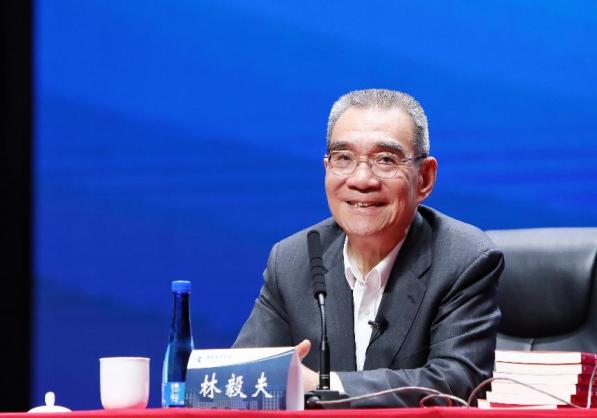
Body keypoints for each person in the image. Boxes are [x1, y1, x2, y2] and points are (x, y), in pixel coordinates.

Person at [233, 89, 504, 407]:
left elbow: (455, 384)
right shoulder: (294, 259)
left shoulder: (464, 259)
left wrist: (323, 386)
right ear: (326, 169)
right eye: (343, 158)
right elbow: (241, 377)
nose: (361, 179)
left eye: (385, 160)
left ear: (425, 178)